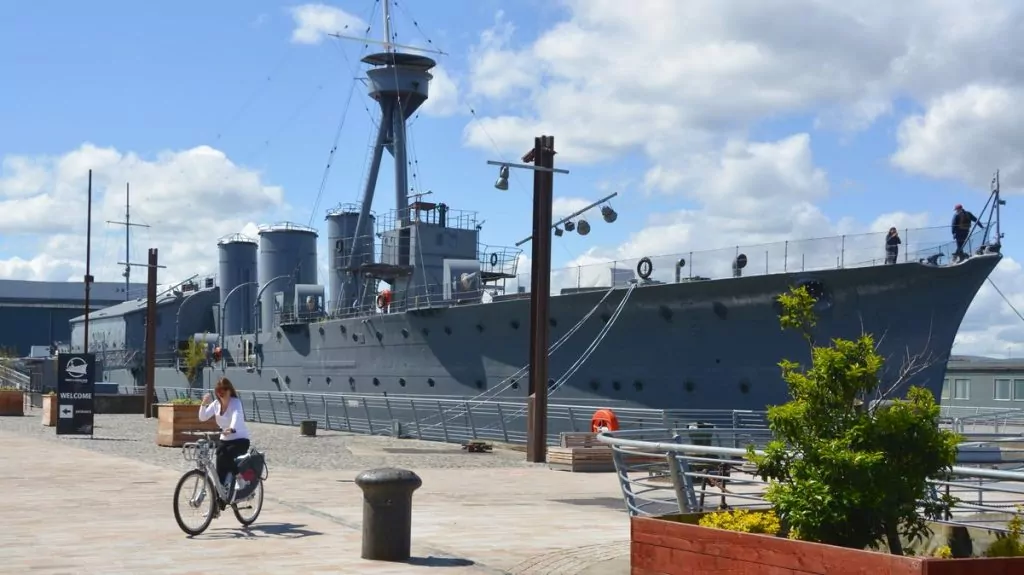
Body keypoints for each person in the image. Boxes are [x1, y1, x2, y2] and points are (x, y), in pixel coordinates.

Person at [198, 377, 251, 502]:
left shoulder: (235, 402)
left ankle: (240, 479)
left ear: (229, 390)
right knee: (219, 467)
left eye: (224, 391)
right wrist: (203, 403)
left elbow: (236, 416)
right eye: (218, 391)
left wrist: (231, 428)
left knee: (225, 454)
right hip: (225, 439)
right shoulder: (216, 404)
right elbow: (203, 417)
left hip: (240, 439)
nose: (221, 394)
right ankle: (218, 504)